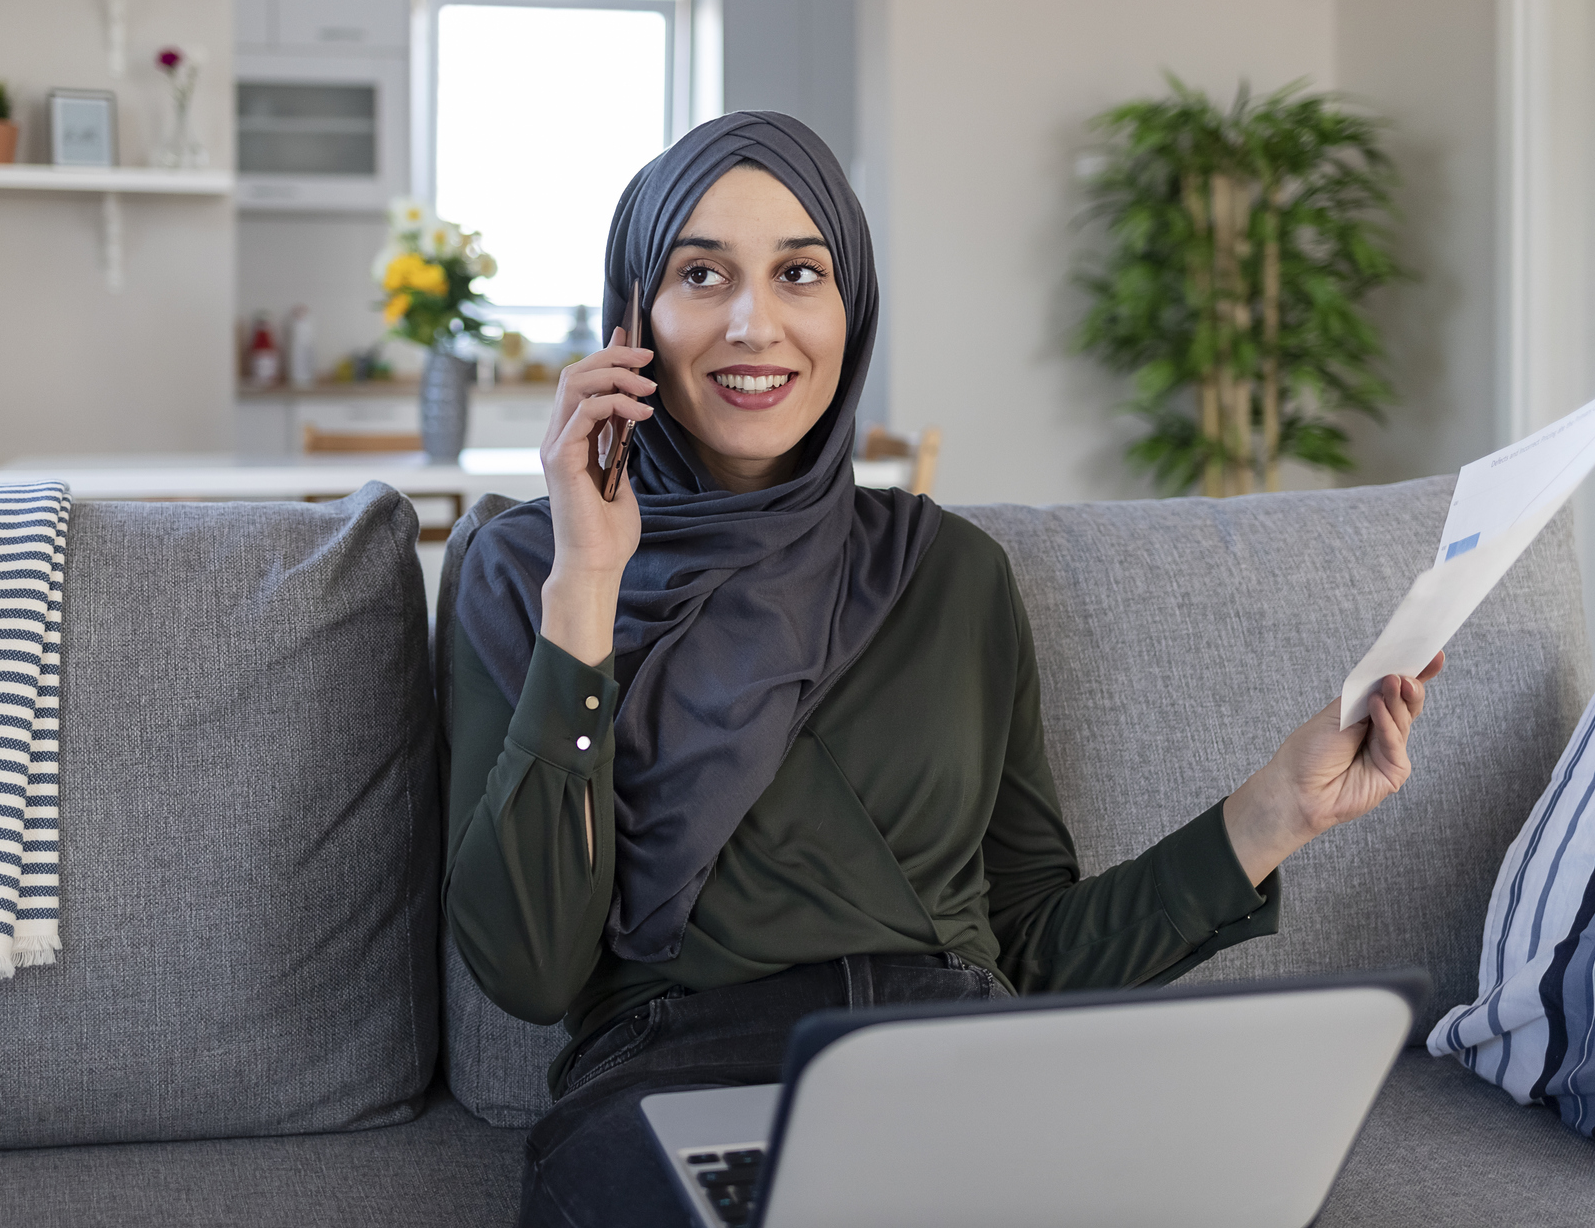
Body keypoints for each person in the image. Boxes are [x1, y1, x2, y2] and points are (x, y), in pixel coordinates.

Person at [446, 112, 1443, 1228]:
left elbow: (1031, 951)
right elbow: (529, 968)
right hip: (678, 1078)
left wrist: (1272, 813)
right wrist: (588, 583)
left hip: (968, 1064)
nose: (753, 321)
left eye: (800, 272)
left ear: (852, 308)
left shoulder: (950, 572)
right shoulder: (526, 566)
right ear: (632, 318)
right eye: (700, 272)